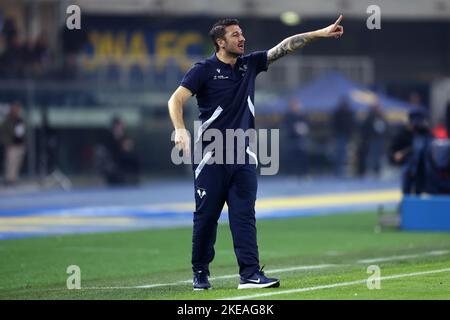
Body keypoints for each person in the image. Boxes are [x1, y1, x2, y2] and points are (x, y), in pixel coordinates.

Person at [168, 16, 344, 290]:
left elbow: (284, 46)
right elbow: (175, 99)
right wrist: (179, 129)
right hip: (211, 157)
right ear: (220, 42)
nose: (242, 38)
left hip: (243, 157)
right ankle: (200, 272)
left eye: (242, 33)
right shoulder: (202, 69)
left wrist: (320, 33)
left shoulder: (249, 65)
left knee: (244, 216)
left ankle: (249, 274)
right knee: (206, 218)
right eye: (235, 34)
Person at [359, 99, 388, 177]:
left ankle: (377, 170)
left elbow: (385, 127)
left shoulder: (381, 116)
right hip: (372, 139)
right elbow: (365, 128)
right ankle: (371, 170)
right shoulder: (369, 116)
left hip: (379, 139)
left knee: (378, 156)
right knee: (371, 155)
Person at [0, 101, 27, 185]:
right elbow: (4, 133)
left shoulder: (20, 120)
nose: (17, 110)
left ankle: (14, 179)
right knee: (10, 163)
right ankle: (9, 180)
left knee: (17, 163)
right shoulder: (8, 120)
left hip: (20, 145)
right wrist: (7, 143)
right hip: (12, 145)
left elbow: (23, 132)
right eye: (16, 108)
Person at [283, 99, 309, 176]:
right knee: (292, 157)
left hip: (301, 140)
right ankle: (292, 173)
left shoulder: (302, 115)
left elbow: (306, 125)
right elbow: (287, 126)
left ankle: (303, 173)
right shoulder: (289, 116)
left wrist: (303, 129)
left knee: (302, 157)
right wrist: (295, 129)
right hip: (292, 139)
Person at [332, 98, 355, 177]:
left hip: (345, 136)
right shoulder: (339, 113)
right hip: (340, 136)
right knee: (340, 154)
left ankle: (341, 171)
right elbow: (335, 125)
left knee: (344, 154)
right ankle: (338, 170)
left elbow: (351, 126)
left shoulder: (348, 113)